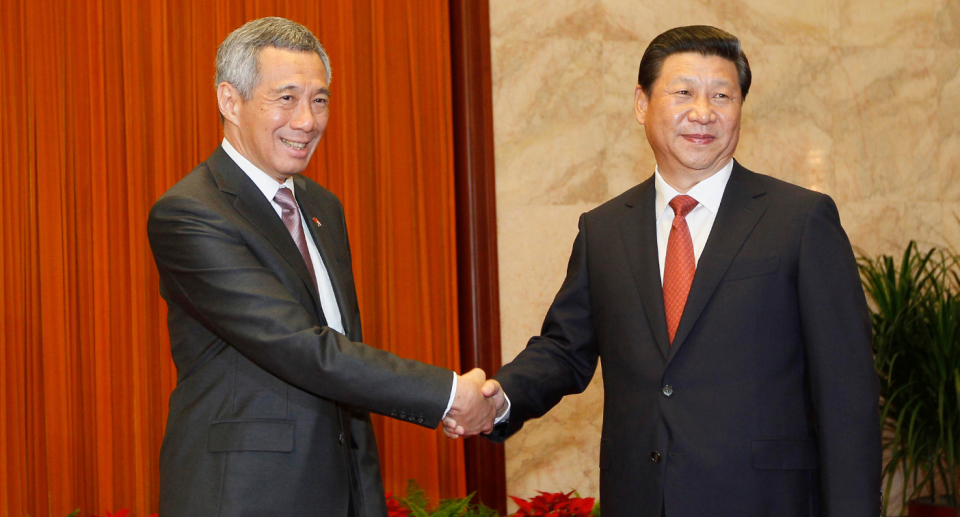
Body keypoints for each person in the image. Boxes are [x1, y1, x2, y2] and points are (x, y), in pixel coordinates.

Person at [445, 25, 882, 517]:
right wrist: (499, 398)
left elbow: (847, 395)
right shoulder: (604, 229)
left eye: (722, 95)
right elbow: (564, 349)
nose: (704, 112)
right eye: (684, 93)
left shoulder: (800, 220)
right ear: (641, 104)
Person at [147, 17, 494, 517]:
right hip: (245, 496)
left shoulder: (321, 206)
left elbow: (340, 349)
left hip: (342, 489)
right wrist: (446, 394)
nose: (308, 121)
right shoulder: (192, 212)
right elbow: (299, 347)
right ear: (230, 100)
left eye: (320, 99)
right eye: (286, 98)